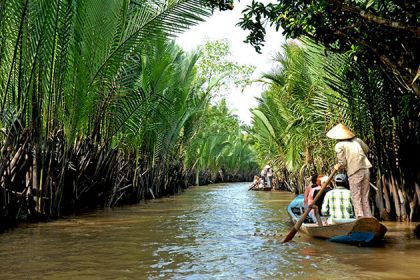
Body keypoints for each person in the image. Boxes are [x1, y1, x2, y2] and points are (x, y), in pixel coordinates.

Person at [327, 123, 372, 218]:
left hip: (354, 171)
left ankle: (360, 218)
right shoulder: (357, 140)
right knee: (364, 196)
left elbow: (342, 163)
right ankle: (368, 217)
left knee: (356, 196)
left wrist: (337, 166)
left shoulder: (339, 145)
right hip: (366, 169)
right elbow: (367, 149)